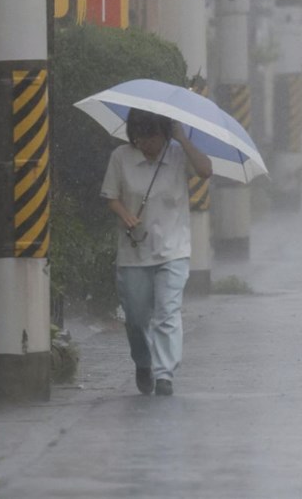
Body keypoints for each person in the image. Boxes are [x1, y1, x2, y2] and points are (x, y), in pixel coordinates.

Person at [101, 108, 213, 396]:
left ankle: (164, 374)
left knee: (167, 312)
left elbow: (205, 170)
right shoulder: (120, 158)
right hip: (134, 253)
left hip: (173, 250)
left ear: (164, 134)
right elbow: (111, 196)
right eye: (141, 138)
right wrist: (125, 215)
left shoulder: (177, 154)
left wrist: (182, 140)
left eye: (153, 138)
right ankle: (143, 361)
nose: (147, 144)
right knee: (136, 318)